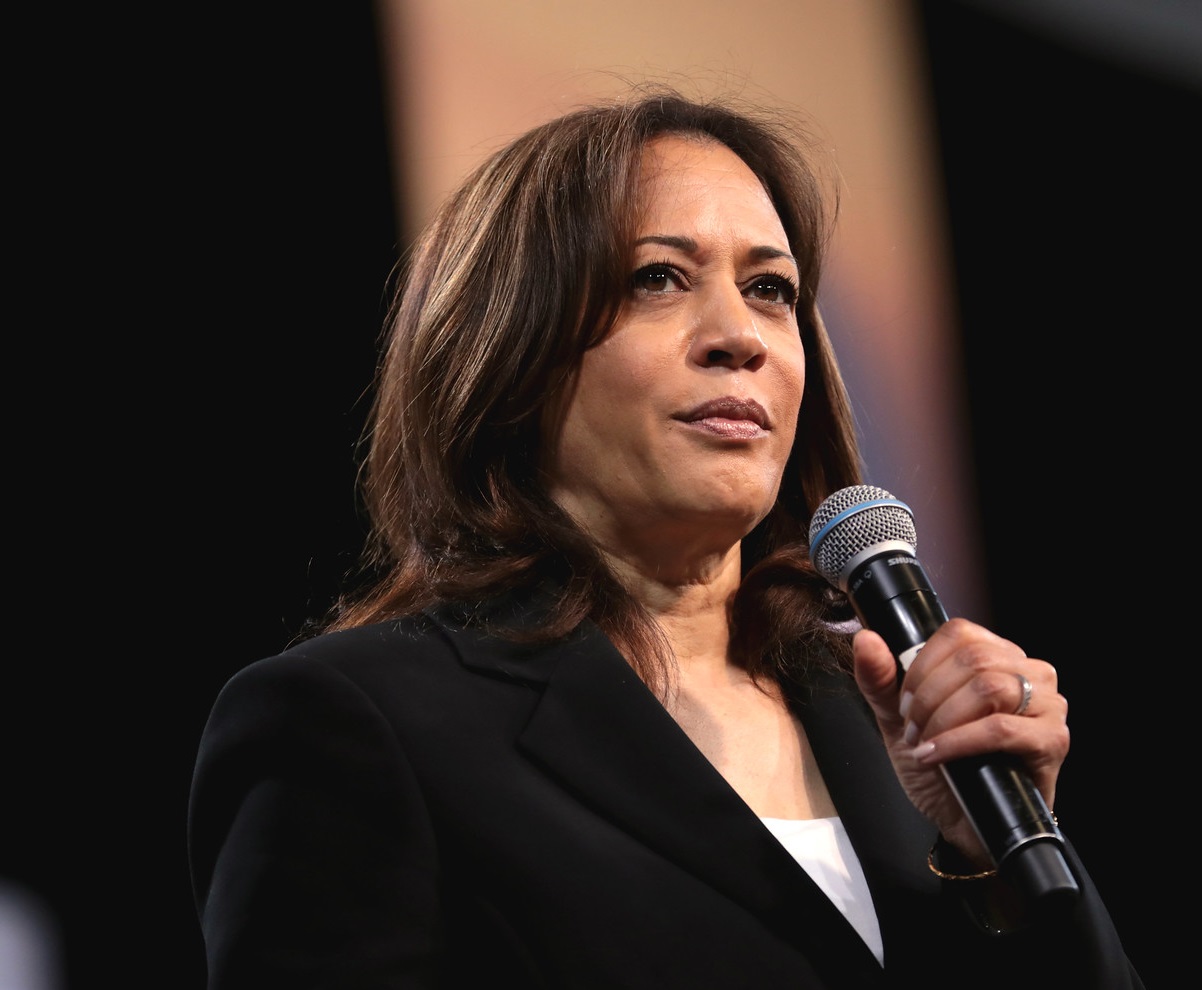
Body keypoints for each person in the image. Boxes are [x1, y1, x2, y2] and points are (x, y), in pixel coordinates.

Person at [188, 86, 1145, 988]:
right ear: (511, 350)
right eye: (658, 278)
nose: (741, 335)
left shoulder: (898, 724)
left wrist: (988, 859)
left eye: (770, 288)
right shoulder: (355, 722)